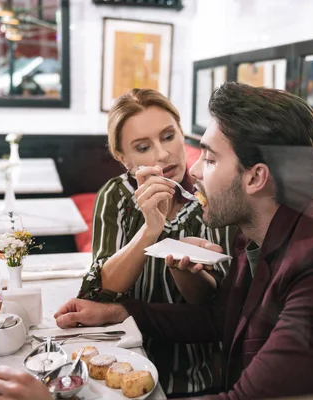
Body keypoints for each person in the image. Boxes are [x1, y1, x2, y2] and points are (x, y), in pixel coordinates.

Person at [0, 83, 313, 400]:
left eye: (209, 158)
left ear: (255, 176)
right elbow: (216, 320)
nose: (196, 172)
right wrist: (119, 310)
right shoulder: (262, 226)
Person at [79, 88, 235, 396]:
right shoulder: (117, 196)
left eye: (168, 136)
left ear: (182, 133)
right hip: (122, 366)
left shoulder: (214, 195)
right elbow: (101, 293)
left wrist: (187, 271)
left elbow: (213, 309)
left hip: (197, 377)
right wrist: (150, 230)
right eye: (142, 147)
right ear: (124, 159)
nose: (162, 154)